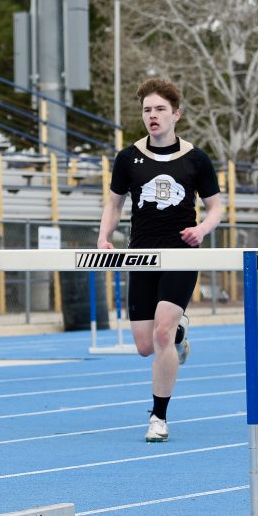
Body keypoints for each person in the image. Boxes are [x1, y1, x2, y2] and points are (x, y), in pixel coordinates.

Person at [96, 78, 222, 443]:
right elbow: (114, 204)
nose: (152, 115)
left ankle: (158, 417)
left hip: (180, 254)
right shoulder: (128, 158)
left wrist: (202, 230)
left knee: (161, 333)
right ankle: (179, 335)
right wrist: (103, 238)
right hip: (142, 255)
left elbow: (216, 207)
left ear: (176, 114)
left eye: (160, 109)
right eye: (147, 110)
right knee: (145, 345)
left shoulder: (196, 158)